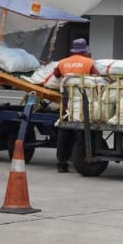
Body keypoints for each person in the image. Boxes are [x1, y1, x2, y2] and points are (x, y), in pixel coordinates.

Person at [53, 37, 95, 173]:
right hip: (84, 103)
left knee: (64, 131)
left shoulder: (62, 63)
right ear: (85, 51)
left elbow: (56, 76)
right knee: (82, 133)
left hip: (67, 103)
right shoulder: (90, 63)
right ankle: (78, 158)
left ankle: (61, 163)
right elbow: (97, 79)